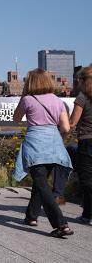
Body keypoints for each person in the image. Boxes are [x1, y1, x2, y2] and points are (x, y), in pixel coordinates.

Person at [13, 68, 74, 238]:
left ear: (30, 83)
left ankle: (61, 224)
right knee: (41, 183)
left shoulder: (27, 100)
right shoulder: (57, 100)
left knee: (41, 183)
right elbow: (66, 127)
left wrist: (24, 95)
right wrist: (54, 135)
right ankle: (31, 216)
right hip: (54, 144)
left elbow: (16, 119)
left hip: (35, 145)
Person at [69, 66, 92, 226]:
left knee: (87, 179)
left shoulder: (83, 97)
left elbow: (72, 122)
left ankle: (87, 215)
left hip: (87, 141)